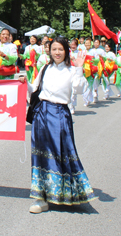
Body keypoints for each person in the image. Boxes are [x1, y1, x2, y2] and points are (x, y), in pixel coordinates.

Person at [21, 37, 95, 213]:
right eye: (54, 49)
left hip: (60, 115)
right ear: (49, 51)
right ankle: (41, 198)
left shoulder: (71, 70)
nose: (57, 52)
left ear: (66, 51)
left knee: (61, 153)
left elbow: (79, 89)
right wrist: (25, 83)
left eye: (60, 49)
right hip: (41, 114)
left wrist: (79, 68)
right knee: (40, 155)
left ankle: (65, 193)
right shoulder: (45, 68)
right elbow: (35, 89)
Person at [82, 38, 95, 106]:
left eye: (88, 43)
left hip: (91, 71)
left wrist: (92, 61)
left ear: (91, 44)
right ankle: (87, 99)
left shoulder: (93, 51)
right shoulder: (82, 52)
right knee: (85, 86)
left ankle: (88, 99)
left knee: (89, 86)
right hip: (84, 71)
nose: (87, 44)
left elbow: (97, 60)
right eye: (86, 43)